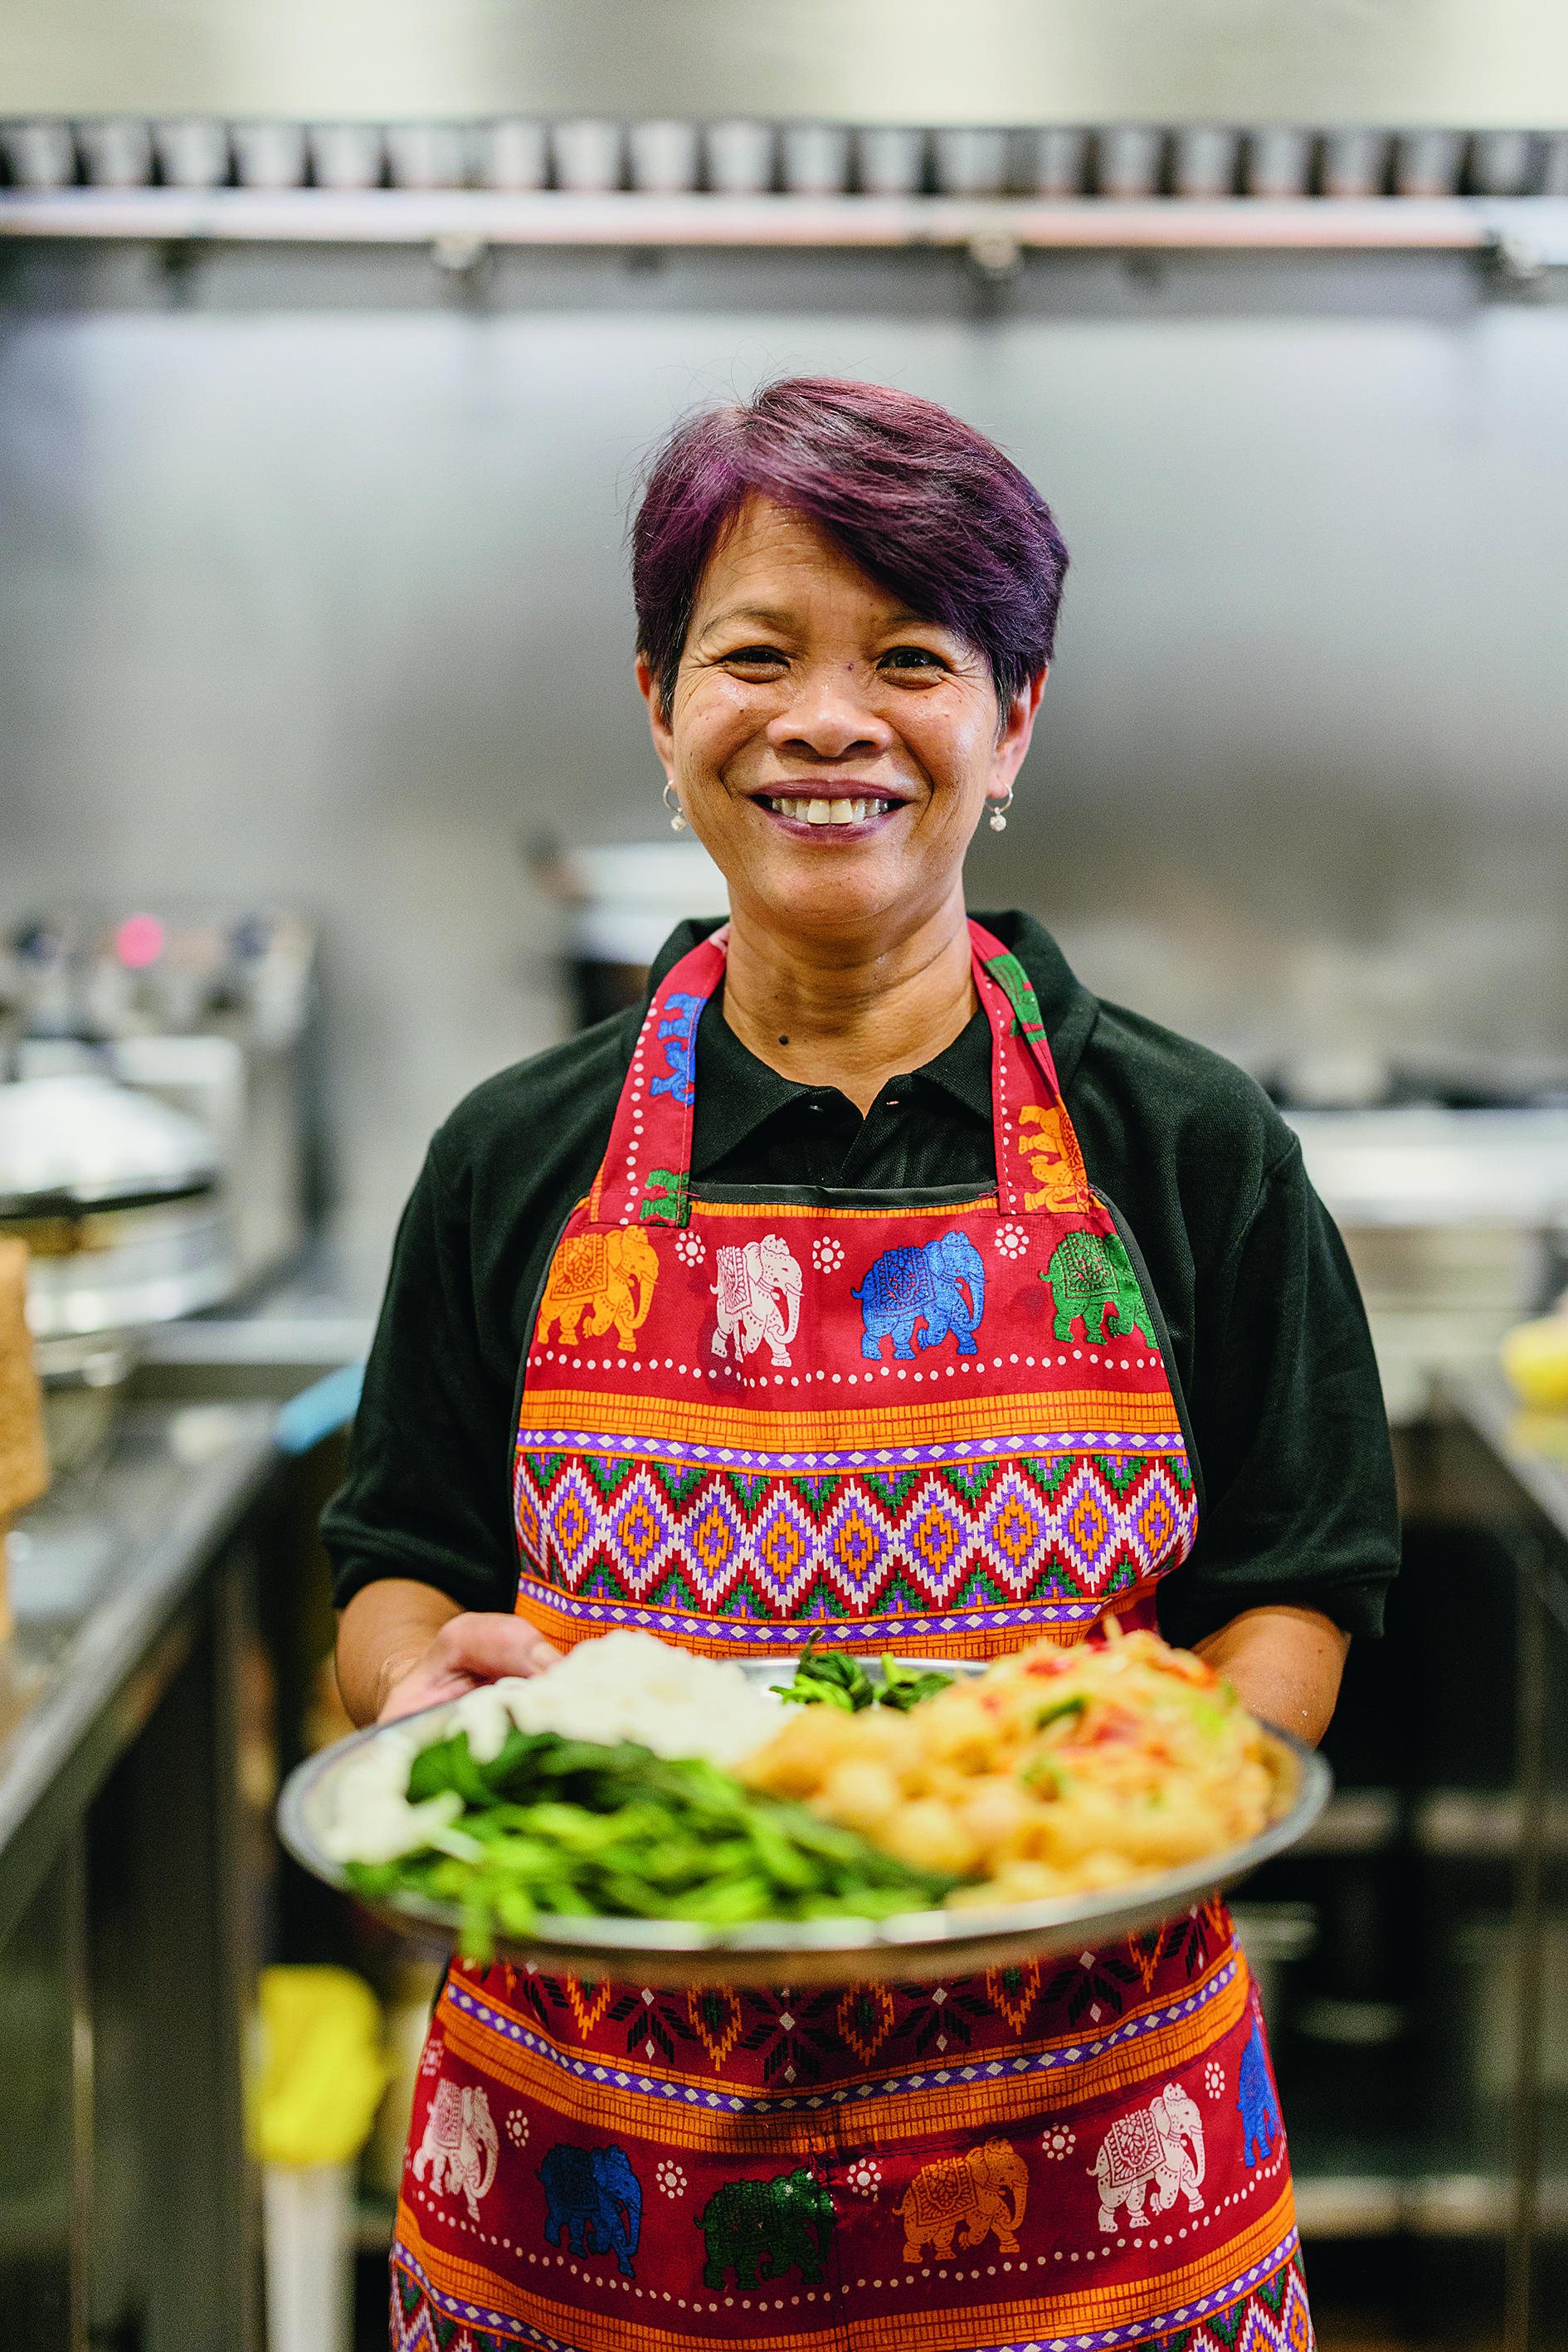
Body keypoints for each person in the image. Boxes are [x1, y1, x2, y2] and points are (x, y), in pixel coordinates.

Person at [327, 377, 1399, 2352]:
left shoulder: (1185, 1140)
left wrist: (1144, 1791)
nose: (829, 720)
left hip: (1087, 2167)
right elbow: (391, 1556)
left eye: (910, 656)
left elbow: (1301, 1581)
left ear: (1015, 721)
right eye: (756, 655)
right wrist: (417, 1678)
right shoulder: (516, 1151)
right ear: (659, 705)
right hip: (594, 2192)